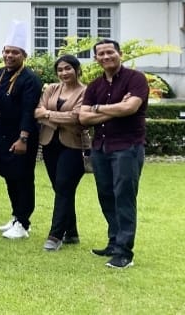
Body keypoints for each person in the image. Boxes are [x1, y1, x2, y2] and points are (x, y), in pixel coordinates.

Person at [79, 39, 149, 269]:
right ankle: (113, 241)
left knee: (124, 197)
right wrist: (114, 110)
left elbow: (130, 108)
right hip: (101, 148)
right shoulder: (95, 85)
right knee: (106, 195)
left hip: (127, 147)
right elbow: (83, 118)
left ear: (119, 54)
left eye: (110, 52)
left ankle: (124, 252)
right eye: (101, 54)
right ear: (96, 58)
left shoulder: (135, 79)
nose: (106, 56)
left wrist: (98, 109)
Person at [0, 20, 43, 240]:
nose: (9, 56)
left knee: (23, 178)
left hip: (21, 135)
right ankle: (16, 216)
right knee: (10, 177)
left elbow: (28, 110)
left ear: (23, 55)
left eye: (14, 52)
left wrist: (23, 137)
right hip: (1, 133)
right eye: (6, 51)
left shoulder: (30, 79)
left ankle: (24, 222)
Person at [34, 54, 87, 250]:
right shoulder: (51, 89)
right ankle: (71, 233)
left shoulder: (85, 92)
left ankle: (55, 236)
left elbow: (77, 117)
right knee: (61, 189)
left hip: (73, 146)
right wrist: (57, 116)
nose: (64, 73)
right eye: (60, 69)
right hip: (49, 144)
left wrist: (48, 114)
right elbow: (36, 111)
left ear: (77, 69)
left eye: (68, 68)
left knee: (64, 187)